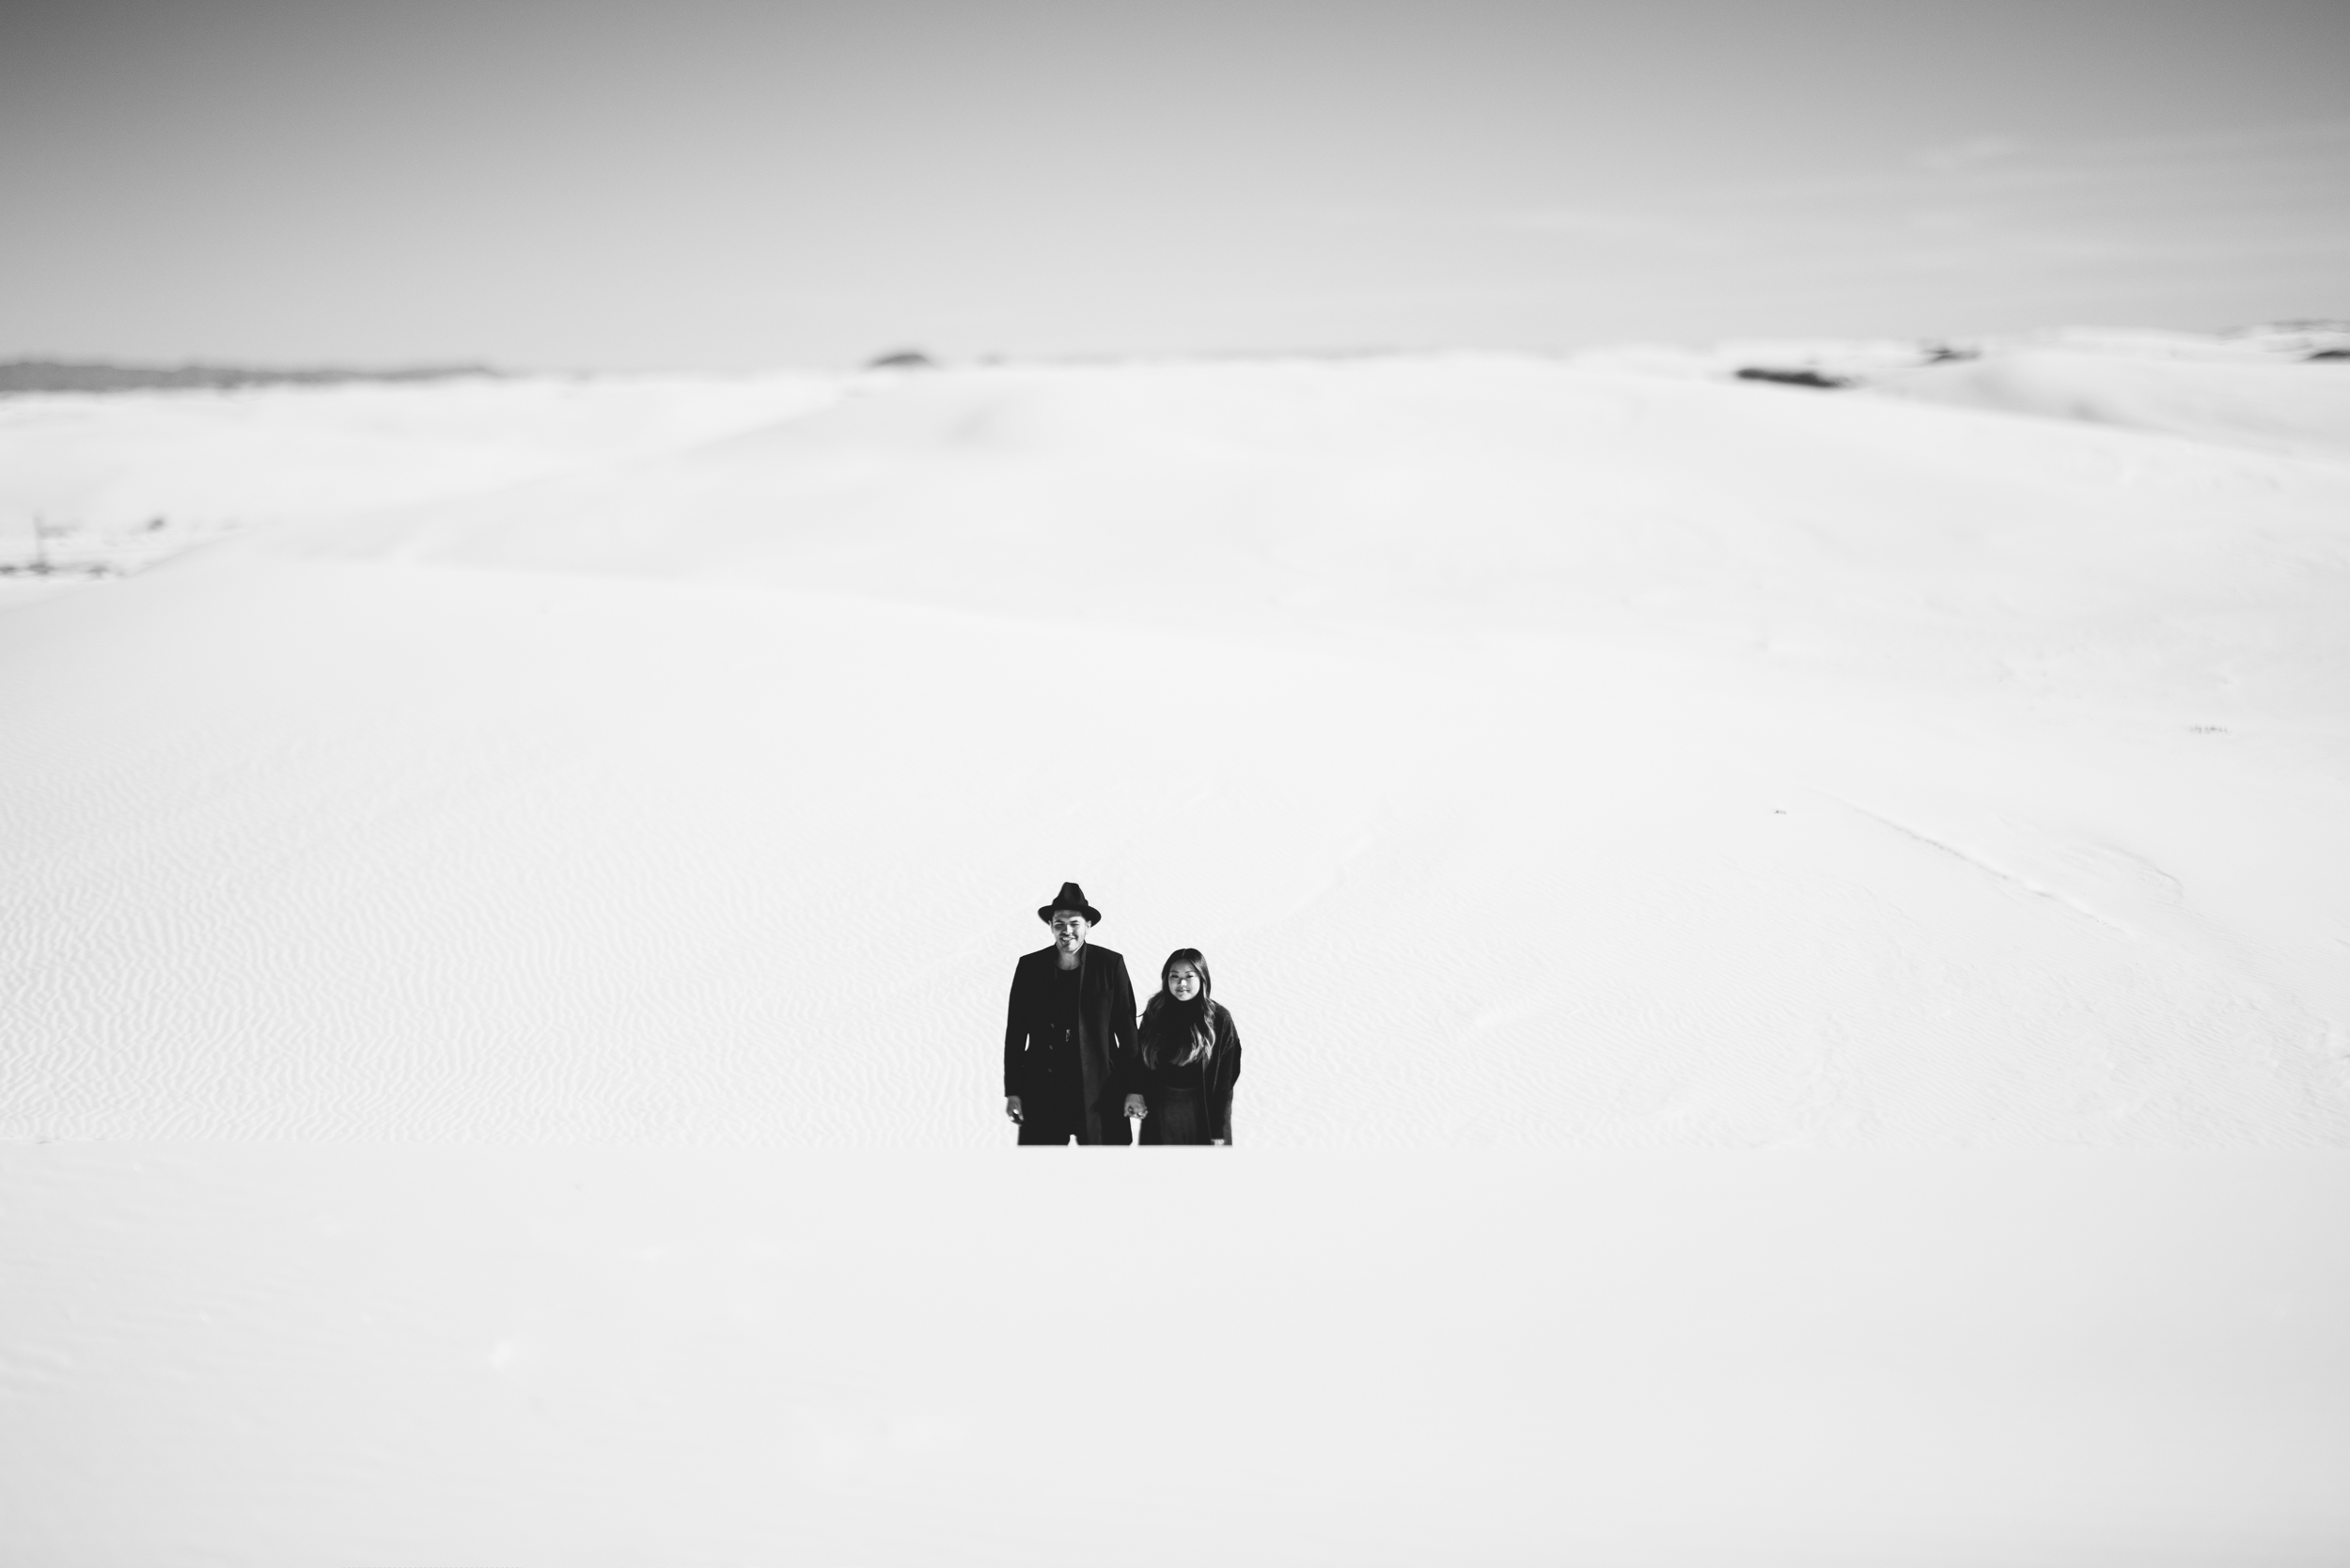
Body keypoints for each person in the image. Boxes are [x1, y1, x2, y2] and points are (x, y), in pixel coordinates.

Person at [1002, 882, 1143, 1146]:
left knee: (1105, 1175)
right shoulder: (1030, 967)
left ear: (1088, 925)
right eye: (1059, 924)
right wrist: (1014, 1091)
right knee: (1040, 1176)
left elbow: (1127, 1031)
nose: (1066, 931)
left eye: (1074, 923)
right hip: (1043, 1089)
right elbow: (1016, 1032)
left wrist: (1134, 1089)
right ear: (1051, 926)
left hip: (1100, 1088)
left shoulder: (1110, 965)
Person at [1131, 948, 1242, 1146]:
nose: (1181, 983)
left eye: (1189, 976)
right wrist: (1136, 1091)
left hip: (1202, 1108)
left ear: (1202, 978)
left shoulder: (1219, 1019)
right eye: (1175, 976)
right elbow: (1139, 1059)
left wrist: (1218, 1128)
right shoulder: (1156, 1012)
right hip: (1161, 1106)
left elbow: (1226, 1078)